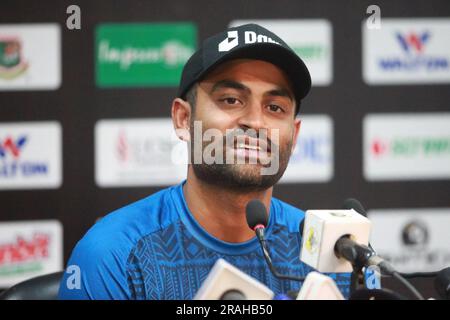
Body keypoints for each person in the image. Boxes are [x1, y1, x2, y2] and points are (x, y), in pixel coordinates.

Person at [58, 23, 351, 300]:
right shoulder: (115, 253)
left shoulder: (332, 251)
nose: (255, 121)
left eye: (275, 107)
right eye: (231, 100)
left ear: (294, 134)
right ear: (183, 119)